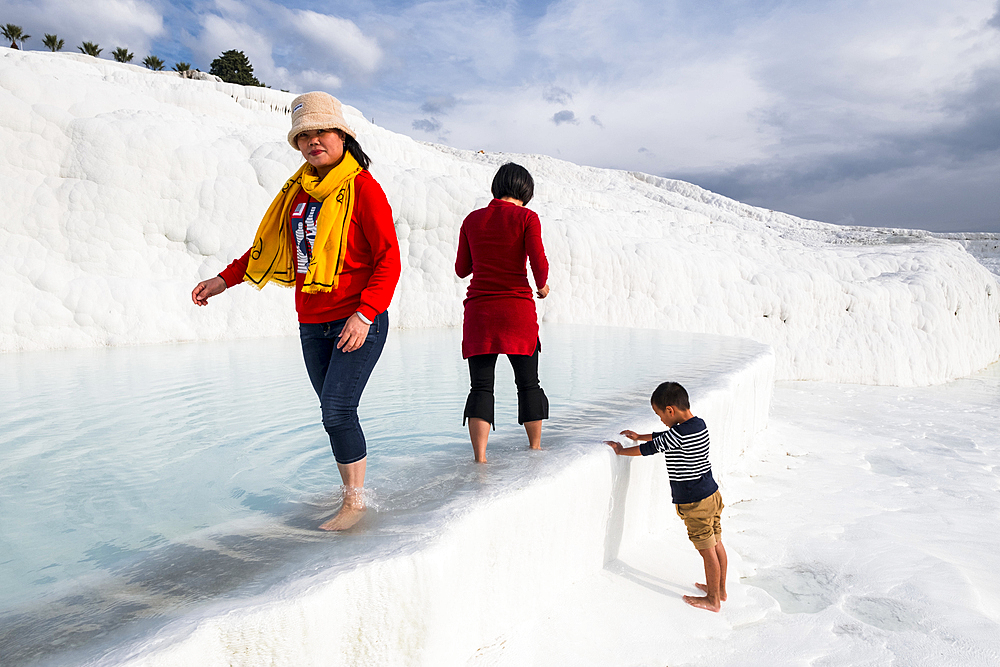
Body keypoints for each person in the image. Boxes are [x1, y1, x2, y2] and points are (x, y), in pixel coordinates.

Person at [191, 92, 401, 531]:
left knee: (337, 409)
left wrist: (364, 315)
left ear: (342, 134)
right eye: (304, 136)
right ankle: (352, 490)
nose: (312, 142)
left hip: (356, 318)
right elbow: (268, 248)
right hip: (311, 320)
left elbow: (388, 258)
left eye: (321, 132)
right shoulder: (299, 193)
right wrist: (223, 280)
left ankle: (354, 504)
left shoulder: (363, 189)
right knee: (333, 411)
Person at [455, 163, 550, 463]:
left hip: (480, 314)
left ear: (497, 186)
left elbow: (461, 269)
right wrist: (543, 287)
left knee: (481, 387)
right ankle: (534, 449)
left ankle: (480, 459)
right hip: (516, 312)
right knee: (528, 383)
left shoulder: (472, 220)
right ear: (526, 191)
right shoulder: (527, 218)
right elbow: (539, 262)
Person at [604, 381, 727, 612]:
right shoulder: (698, 424)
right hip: (711, 494)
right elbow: (666, 436)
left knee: (706, 549)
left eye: (659, 414)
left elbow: (649, 449)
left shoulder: (676, 435)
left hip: (694, 502)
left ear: (670, 410)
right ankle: (719, 590)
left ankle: (713, 600)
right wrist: (640, 435)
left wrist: (621, 451)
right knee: (717, 542)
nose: (660, 419)